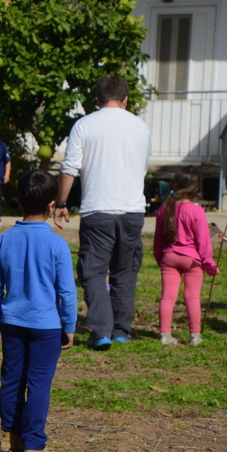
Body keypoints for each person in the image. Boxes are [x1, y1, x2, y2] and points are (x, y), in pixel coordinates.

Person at [54, 75, 152, 351]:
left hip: (97, 209)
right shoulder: (141, 127)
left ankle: (100, 330)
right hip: (132, 210)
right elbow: (142, 169)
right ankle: (121, 329)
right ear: (125, 99)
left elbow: (69, 169)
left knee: (94, 272)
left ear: (96, 100)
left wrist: (61, 203)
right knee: (125, 271)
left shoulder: (84, 125)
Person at [0, 170, 76, 452]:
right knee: (38, 383)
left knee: (11, 378)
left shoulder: (4, 239)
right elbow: (67, 290)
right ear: (52, 206)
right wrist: (70, 325)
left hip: (12, 322)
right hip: (46, 326)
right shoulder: (57, 244)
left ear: (18, 200)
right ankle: (34, 445)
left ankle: (9, 437)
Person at [153, 166, 218, 346]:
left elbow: (158, 238)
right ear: (196, 188)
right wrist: (209, 264)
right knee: (192, 297)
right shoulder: (197, 212)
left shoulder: (164, 210)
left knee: (167, 297)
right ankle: (194, 336)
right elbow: (203, 242)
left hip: (169, 257)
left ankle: (165, 335)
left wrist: (160, 257)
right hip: (192, 259)